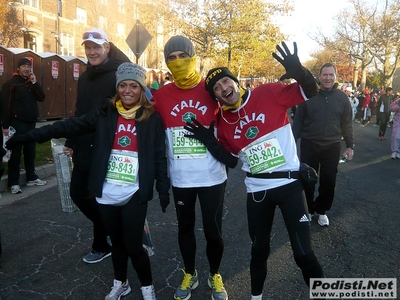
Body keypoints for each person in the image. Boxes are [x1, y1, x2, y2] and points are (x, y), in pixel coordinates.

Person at [6, 62, 170, 300]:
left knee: (134, 246)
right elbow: (71, 125)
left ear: (141, 89)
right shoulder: (105, 113)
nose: (127, 91)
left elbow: (159, 157)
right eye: (122, 85)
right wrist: (28, 136)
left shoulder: (150, 119)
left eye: (133, 86)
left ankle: (147, 288)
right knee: (117, 243)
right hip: (106, 191)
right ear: (117, 88)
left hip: (133, 191)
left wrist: (163, 190)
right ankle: (120, 283)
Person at [186, 42, 324, 300]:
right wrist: (209, 141)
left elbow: (311, 91)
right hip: (258, 192)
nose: (224, 88)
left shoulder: (268, 93)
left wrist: (300, 71)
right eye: (217, 88)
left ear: (235, 82)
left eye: (226, 82)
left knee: (303, 254)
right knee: (259, 251)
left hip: (290, 185)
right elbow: (231, 160)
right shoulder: (224, 123)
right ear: (216, 97)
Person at [152, 35, 229, 300]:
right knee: (185, 228)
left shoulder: (211, 91)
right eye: (171, 59)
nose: (177, 62)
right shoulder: (161, 96)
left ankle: (215, 274)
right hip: (181, 178)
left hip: (212, 177)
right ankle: (190, 272)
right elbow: (140, 120)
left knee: (213, 231)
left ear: (192, 57)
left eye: (182, 56)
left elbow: (235, 115)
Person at [65, 29, 130, 264]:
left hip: (108, 146)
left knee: (98, 196)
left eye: (97, 47)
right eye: (88, 47)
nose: (92, 52)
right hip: (84, 144)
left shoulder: (118, 74)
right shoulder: (85, 76)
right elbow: (80, 110)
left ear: (107, 48)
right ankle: (112, 233)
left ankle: (101, 244)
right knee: (78, 194)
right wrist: (71, 140)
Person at [293, 63, 354, 227]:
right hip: (309, 144)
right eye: (325, 75)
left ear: (335, 77)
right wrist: (291, 144)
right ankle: (308, 209)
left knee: (329, 181)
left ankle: (321, 211)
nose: (328, 78)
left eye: (331, 75)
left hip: (332, 146)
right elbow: (298, 122)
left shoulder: (342, 98)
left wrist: (350, 146)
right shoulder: (308, 96)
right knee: (307, 180)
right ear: (319, 76)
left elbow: (347, 123)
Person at [1, 58, 47, 194]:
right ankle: (13, 182)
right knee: (15, 153)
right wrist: (5, 125)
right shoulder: (11, 84)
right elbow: (5, 106)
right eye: (24, 66)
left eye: (29, 67)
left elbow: (41, 97)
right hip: (16, 123)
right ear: (18, 68)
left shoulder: (30, 83)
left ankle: (31, 177)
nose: (27, 69)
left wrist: (34, 82)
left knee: (30, 151)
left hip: (30, 123)